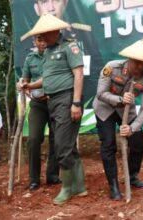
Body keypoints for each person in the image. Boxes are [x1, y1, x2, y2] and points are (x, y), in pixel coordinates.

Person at [21, 14, 87, 205]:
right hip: (52, 101)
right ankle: (79, 186)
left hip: (66, 99)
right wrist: (30, 86)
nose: (42, 37)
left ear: (54, 31)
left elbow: (79, 74)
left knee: (62, 146)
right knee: (67, 145)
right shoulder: (49, 51)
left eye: (44, 34)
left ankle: (66, 189)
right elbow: (48, 77)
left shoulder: (69, 46)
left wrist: (75, 103)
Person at [93, 39, 143, 200]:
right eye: (138, 63)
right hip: (105, 108)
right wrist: (121, 99)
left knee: (137, 142)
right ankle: (114, 184)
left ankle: (132, 176)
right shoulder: (111, 68)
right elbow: (100, 94)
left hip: (126, 112)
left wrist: (132, 128)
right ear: (129, 59)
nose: (141, 67)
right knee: (108, 144)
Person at [18, 34, 60, 191]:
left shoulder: (57, 55)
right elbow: (25, 79)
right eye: (39, 40)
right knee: (34, 139)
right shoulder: (30, 58)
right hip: (38, 104)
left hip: (56, 101)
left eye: (45, 39)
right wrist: (22, 84)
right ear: (34, 42)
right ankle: (34, 179)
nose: (43, 43)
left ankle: (52, 175)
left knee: (56, 138)